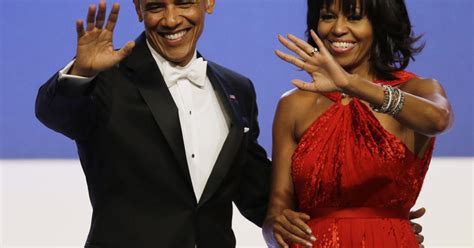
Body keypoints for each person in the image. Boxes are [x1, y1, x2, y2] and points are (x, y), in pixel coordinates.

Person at [35, 0, 271, 247]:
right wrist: (81, 74)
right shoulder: (106, 80)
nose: (171, 20)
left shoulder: (238, 89)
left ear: (209, 2)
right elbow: (54, 113)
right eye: (156, 7)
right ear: (138, 9)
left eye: (184, 3)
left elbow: (256, 191)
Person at [263, 0, 453, 247]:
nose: (338, 29)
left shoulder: (417, 89)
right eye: (328, 17)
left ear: (380, 24)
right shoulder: (293, 104)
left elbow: (439, 119)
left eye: (354, 17)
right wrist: (275, 228)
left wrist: (352, 84)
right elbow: (276, 214)